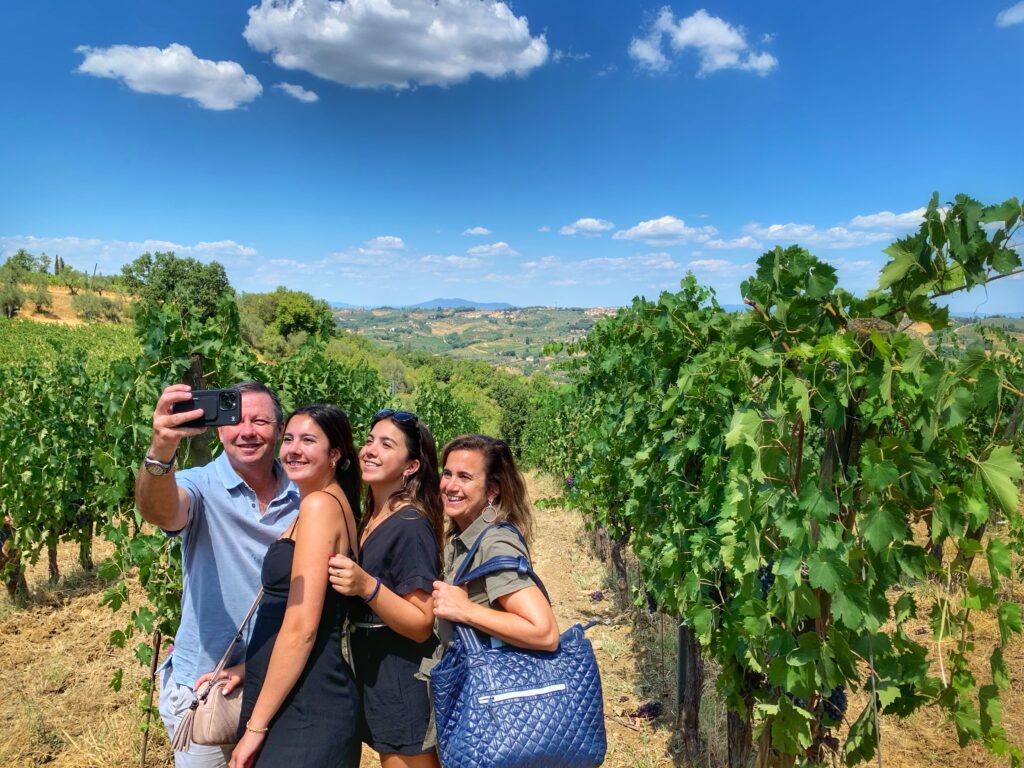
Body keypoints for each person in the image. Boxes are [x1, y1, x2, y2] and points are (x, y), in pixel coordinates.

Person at [136, 381, 299, 768]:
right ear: (218, 427)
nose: (247, 431)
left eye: (260, 421)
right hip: (204, 687)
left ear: (279, 430)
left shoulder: (303, 495)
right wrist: (162, 446)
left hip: (277, 681)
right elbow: (159, 510)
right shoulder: (199, 484)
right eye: (236, 419)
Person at [226, 404, 362, 768]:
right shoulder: (325, 504)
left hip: (308, 702)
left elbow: (302, 627)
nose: (293, 450)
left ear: (334, 454)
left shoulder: (320, 506)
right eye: (288, 439)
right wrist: (247, 668)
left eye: (308, 441)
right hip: (297, 690)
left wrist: (256, 727)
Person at [327, 409, 442, 768]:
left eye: (386, 444)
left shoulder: (410, 525)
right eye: (369, 440)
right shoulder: (373, 515)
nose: (370, 450)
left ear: (410, 467)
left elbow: (422, 621)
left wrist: (366, 585)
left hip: (402, 680)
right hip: (379, 675)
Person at [431, 434, 559, 655]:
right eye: (447, 474)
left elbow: (544, 633)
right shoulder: (466, 537)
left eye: (464, 477)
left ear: (492, 490)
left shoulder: (495, 542)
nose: (450, 486)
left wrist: (465, 610)